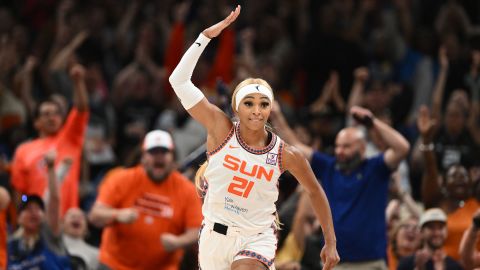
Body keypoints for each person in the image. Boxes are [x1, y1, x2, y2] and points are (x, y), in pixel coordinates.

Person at [169, 5, 339, 270]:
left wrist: (331, 242)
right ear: (236, 107)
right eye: (249, 103)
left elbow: (315, 190)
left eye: (263, 104)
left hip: (256, 239)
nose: (257, 110)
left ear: (270, 108)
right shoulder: (221, 128)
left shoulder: (285, 153)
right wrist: (205, 36)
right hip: (214, 238)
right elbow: (178, 81)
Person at [270, 102, 410, 269]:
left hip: (371, 263)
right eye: (337, 146)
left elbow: (402, 148)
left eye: (346, 146)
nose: (339, 151)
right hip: (335, 262)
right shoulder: (330, 167)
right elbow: (295, 147)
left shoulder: (376, 168)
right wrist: (276, 115)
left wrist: (372, 122)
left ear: (362, 148)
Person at [88, 129, 203, 270]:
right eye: (153, 152)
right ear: (143, 157)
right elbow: (94, 215)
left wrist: (179, 241)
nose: (158, 157)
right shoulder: (121, 178)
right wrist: (117, 215)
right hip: (114, 264)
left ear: (172, 157)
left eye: (164, 152)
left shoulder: (187, 189)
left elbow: (196, 230)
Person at [11, 64, 89, 216]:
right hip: (37, 219)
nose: (52, 117)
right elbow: (21, 193)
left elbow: (81, 108)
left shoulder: (70, 138)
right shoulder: (24, 150)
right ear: (36, 122)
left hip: (66, 219)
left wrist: (78, 82)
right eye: (46, 114)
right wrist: (25, 209)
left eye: (56, 113)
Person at [8, 151, 71, 269]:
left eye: (38, 209)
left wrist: (51, 168)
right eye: (28, 209)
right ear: (19, 219)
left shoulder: (49, 234)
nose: (34, 212)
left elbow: (54, 200)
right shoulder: (10, 246)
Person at [397, 208, 463, 270]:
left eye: (440, 228)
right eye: (431, 228)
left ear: (446, 231)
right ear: (421, 232)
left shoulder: (454, 266)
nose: (437, 233)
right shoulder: (407, 263)